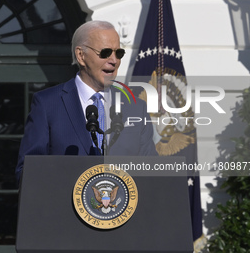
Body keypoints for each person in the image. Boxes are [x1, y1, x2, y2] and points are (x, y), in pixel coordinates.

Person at [15, 20, 157, 182]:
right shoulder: (47, 104)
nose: (114, 60)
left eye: (119, 53)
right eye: (105, 53)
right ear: (81, 56)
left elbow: (152, 172)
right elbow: (27, 172)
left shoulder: (136, 107)